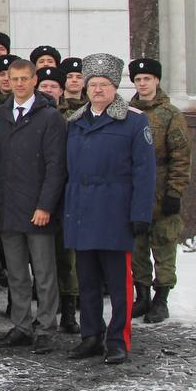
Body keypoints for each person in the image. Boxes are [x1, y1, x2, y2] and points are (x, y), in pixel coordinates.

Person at [64, 53, 155, 365]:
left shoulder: (133, 121)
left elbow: (145, 172)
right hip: (81, 211)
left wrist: (141, 214)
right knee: (86, 281)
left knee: (118, 285)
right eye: (93, 85)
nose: (97, 90)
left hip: (115, 212)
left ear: (115, 88)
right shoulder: (74, 123)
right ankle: (90, 335)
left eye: (104, 84)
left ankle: (118, 340)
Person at [0, 58, 67, 354]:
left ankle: (46, 326)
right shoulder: (2, 115)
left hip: (38, 210)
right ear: (6, 80)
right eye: (14, 78)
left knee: (44, 274)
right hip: (9, 208)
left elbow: (56, 166)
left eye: (24, 78)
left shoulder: (50, 118)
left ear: (35, 81)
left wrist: (45, 205)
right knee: (17, 274)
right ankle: (21, 325)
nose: (19, 84)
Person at [127, 58, 191, 324]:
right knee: (137, 244)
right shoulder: (127, 112)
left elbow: (181, 155)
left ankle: (161, 298)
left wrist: (175, 191)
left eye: (147, 79)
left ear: (157, 80)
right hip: (134, 188)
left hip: (162, 186)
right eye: (138, 80)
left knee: (164, 244)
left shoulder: (170, 114)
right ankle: (141, 295)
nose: (142, 84)